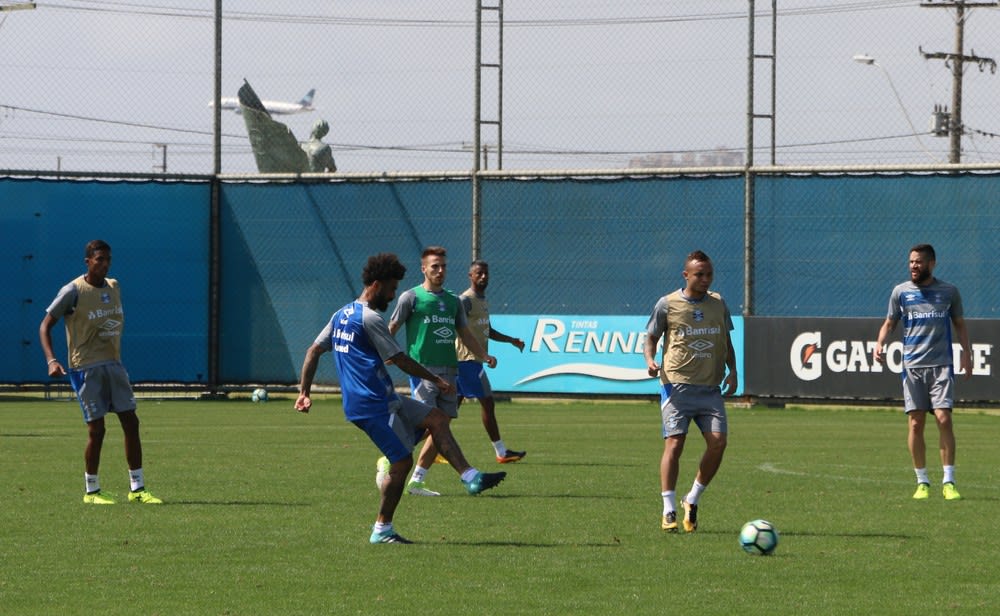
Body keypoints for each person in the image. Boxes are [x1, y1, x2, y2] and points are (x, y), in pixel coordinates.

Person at [294, 253, 506, 544]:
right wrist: (435, 380)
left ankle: (470, 477)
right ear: (377, 284)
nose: (393, 295)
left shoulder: (341, 314)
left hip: (383, 397)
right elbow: (399, 359)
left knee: (437, 419)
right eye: (392, 288)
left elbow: (312, 351)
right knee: (402, 461)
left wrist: (304, 392)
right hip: (371, 405)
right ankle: (382, 529)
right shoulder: (370, 319)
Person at [38, 239, 162, 505]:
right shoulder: (73, 291)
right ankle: (92, 491)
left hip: (114, 365)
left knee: (131, 422)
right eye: (99, 260)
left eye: (108, 259)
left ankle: (137, 488)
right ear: (88, 262)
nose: (104, 264)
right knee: (97, 430)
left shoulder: (114, 286)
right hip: (85, 368)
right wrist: (51, 360)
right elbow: (45, 325)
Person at [387, 246, 496, 496]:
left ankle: (416, 480)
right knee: (432, 421)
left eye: (443, 266)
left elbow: (465, 333)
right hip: (422, 371)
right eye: (434, 266)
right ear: (423, 268)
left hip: (450, 371)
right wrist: (388, 353)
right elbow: (392, 327)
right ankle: (390, 456)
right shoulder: (411, 297)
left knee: (441, 425)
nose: (440, 270)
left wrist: (483, 355)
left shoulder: (452, 300)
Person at [643, 250, 737, 533]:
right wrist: (649, 360)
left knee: (718, 442)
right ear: (686, 275)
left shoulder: (718, 303)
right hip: (676, 386)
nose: (706, 279)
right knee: (675, 443)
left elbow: (725, 340)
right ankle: (668, 508)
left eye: (709, 274)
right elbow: (650, 336)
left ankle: (691, 499)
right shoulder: (667, 304)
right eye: (699, 274)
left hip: (710, 388)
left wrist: (733, 371)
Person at [874, 243, 971, 501]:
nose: (913, 266)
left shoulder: (949, 292)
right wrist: (880, 343)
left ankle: (948, 481)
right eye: (911, 262)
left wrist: (967, 354)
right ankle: (922, 482)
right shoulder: (901, 292)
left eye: (918, 262)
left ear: (931, 263)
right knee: (916, 423)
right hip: (912, 367)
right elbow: (889, 323)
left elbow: (960, 325)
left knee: (944, 419)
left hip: (941, 367)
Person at [455, 260, 527, 463]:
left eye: (486, 273)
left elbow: (489, 330)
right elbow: (454, 327)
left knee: (445, 414)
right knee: (487, 402)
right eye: (479, 273)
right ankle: (501, 452)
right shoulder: (465, 300)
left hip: (469, 362)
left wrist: (511, 340)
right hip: (466, 360)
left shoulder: (482, 300)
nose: (484, 277)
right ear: (471, 276)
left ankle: (419, 445)